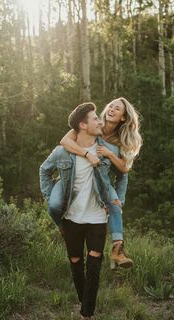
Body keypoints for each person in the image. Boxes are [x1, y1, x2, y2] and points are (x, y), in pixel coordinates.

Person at [39, 102, 127, 320]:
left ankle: (86, 316)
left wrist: (118, 200)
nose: (100, 121)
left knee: (95, 266)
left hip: (98, 217)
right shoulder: (64, 152)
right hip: (71, 219)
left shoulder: (107, 149)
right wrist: (50, 199)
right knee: (76, 263)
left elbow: (123, 174)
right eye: (95, 119)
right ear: (83, 125)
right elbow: (43, 171)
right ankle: (85, 302)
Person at [60, 97, 142, 269]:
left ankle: (117, 249)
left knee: (115, 203)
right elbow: (65, 141)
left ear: (123, 118)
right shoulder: (93, 124)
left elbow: (124, 171)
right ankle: (63, 224)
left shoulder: (120, 141)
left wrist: (109, 154)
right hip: (80, 176)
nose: (111, 109)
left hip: (102, 180)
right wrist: (87, 154)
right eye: (111, 105)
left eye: (117, 108)